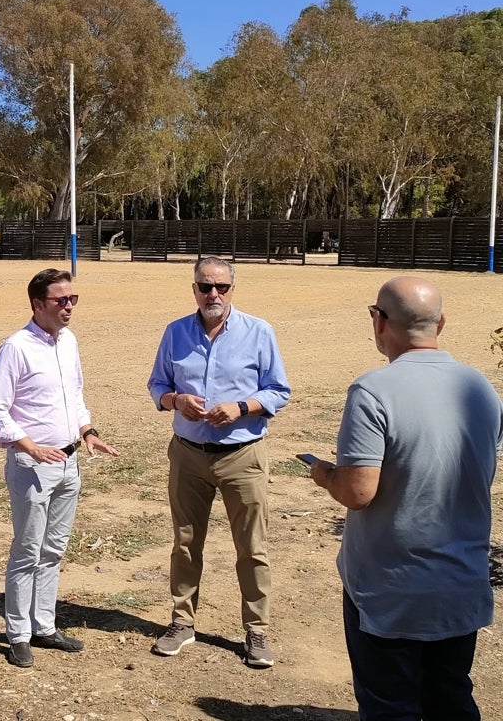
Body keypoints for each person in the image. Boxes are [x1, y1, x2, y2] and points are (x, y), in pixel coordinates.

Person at [307, 276, 502, 719]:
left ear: (379, 322)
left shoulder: (373, 391)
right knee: (450, 698)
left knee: (389, 705)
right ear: (442, 323)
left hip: (389, 591)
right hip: (460, 585)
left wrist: (325, 474)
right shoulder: (481, 389)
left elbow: (358, 491)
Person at [146, 256, 290, 667]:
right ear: (193, 288)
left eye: (221, 287)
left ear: (232, 289)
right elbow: (157, 384)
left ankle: (257, 631)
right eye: (205, 286)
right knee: (186, 545)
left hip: (242, 455)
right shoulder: (175, 333)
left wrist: (242, 407)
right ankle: (182, 622)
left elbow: (279, 390)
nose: (213, 294)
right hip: (189, 455)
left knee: (252, 547)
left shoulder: (259, 332)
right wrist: (175, 400)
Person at [0, 268, 119, 668]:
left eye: (72, 299)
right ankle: (18, 635)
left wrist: (88, 431)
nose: (69, 307)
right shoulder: (16, 347)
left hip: (70, 460)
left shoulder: (69, 342)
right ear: (37, 304)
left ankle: (44, 626)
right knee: (27, 550)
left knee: (54, 548)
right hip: (32, 465)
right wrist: (31, 446)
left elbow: (74, 393)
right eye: (61, 300)